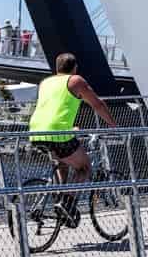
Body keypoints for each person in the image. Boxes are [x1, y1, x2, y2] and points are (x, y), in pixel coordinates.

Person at [27, 52, 116, 225]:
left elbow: (54, 107)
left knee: (63, 163)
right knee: (84, 168)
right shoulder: (76, 81)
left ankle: (60, 200)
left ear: (57, 68)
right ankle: (66, 203)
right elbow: (97, 104)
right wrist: (114, 124)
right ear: (75, 68)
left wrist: (71, 128)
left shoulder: (45, 82)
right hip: (58, 132)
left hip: (36, 130)